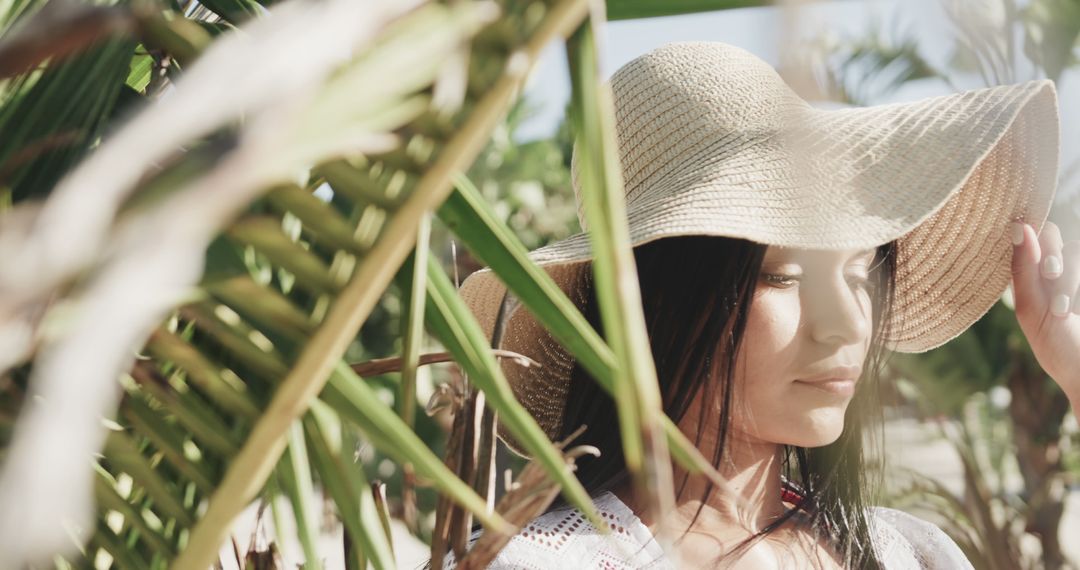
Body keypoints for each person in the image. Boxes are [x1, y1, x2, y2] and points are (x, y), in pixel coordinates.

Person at [451, 42, 1076, 569]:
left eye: (863, 273)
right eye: (784, 276)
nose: (848, 324)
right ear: (650, 302)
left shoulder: (901, 552)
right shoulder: (532, 562)